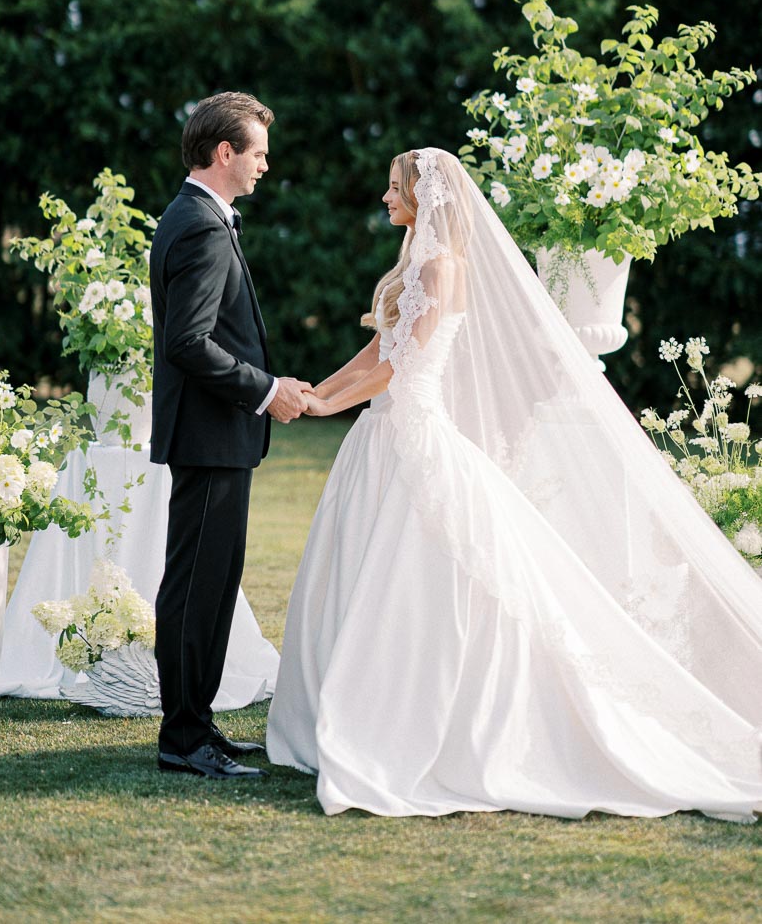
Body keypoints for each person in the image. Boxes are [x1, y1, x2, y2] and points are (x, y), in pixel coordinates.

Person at [267, 148, 762, 820]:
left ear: (426, 196)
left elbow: (403, 362)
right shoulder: (415, 261)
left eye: (394, 188)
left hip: (414, 435)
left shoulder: (442, 267)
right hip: (383, 435)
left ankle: (419, 722)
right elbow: (379, 347)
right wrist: (319, 390)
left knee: (423, 578)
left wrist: (328, 405)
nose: (385, 198)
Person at [150, 91, 311, 779]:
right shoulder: (201, 226)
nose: (264, 167)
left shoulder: (198, 217)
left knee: (212, 586)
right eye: (258, 154)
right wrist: (267, 390)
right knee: (195, 588)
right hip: (210, 434)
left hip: (215, 437)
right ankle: (183, 739)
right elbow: (188, 342)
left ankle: (199, 726)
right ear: (225, 153)